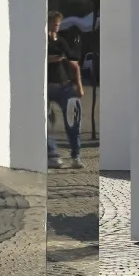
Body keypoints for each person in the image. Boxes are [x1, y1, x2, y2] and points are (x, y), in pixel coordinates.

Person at [47, 11, 83, 169]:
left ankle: (76, 156)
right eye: (53, 22)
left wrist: (79, 86)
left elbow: (75, 65)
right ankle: (52, 154)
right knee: (46, 123)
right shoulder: (41, 41)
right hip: (46, 87)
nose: (56, 25)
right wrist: (48, 59)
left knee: (73, 122)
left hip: (66, 87)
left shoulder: (62, 42)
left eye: (58, 23)